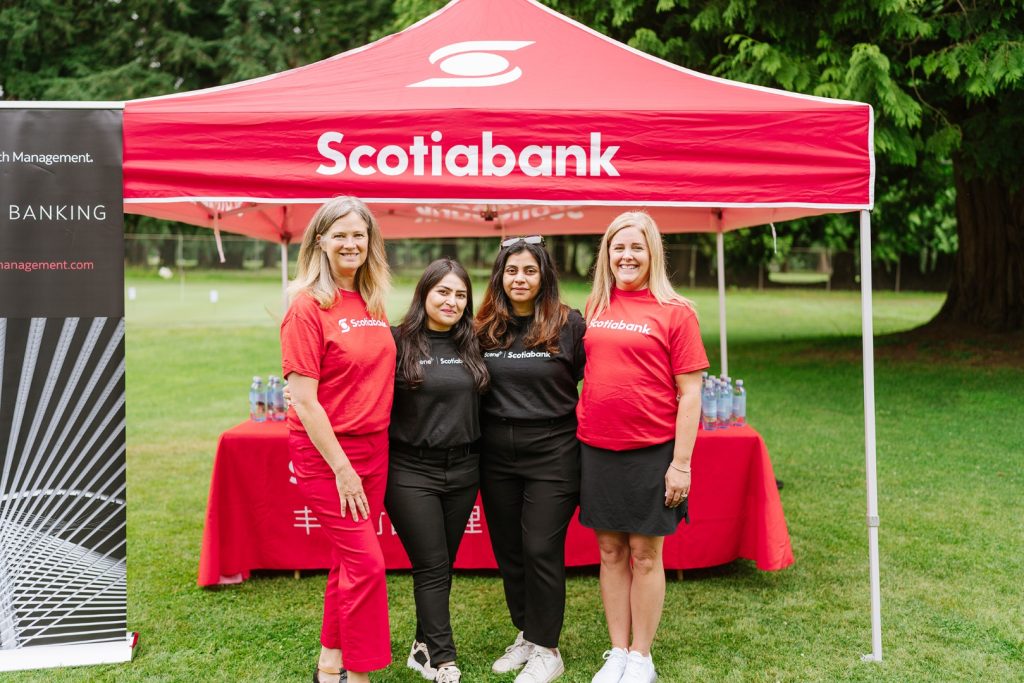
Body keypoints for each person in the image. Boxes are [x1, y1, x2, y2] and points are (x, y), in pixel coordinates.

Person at [576, 212, 709, 683]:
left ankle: (641, 657)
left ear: (653, 253)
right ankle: (617, 651)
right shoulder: (596, 305)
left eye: (636, 247)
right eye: (618, 248)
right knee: (610, 552)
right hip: (596, 448)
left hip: (652, 450)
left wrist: (681, 464)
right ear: (607, 255)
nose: (627, 256)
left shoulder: (676, 311)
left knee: (646, 554)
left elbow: (691, 393)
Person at [281, 196, 395, 683]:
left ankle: (330, 663)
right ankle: (359, 673)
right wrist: (342, 469)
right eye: (340, 234)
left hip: (374, 448)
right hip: (328, 456)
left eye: (359, 235)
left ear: (370, 242)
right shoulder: (306, 307)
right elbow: (305, 402)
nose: (351, 243)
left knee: (348, 560)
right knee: (367, 565)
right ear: (321, 241)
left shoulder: (371, 301)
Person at [475, 236, 586, 683]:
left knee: (540, 547)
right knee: (510, 550)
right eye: (512, 270)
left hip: (553, 451)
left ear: (544, 276)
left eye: (529, 270)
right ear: (500, 276)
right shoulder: (483, 328)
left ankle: (548, 648)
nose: (520, 279)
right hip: (495, 455)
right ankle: (527, 633)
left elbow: (599, 378)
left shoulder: (568, 324)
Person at [385, 259, 489, 683]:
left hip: (464, 469)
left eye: (461, 294)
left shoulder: (474, 342)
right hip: (411, 471)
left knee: (442, 565)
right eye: (443, 292)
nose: (452, 301)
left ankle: (421, 646)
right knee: (431, 566)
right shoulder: (397, 342)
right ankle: (444, 661)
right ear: (424, 294)